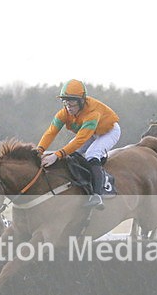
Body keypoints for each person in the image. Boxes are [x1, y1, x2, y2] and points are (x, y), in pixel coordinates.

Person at [36, 79, 121, 209]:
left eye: (72, 100)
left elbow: (80, 140)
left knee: (92, 154)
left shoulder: (93, 112)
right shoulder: (64, 113)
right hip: (92, 132)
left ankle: (97, 195)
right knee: (72, 155)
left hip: (109, 131)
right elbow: (51, 132)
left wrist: (56, 155)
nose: (68, 105)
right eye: (65, 100)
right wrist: (39, 151)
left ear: (82, 101)